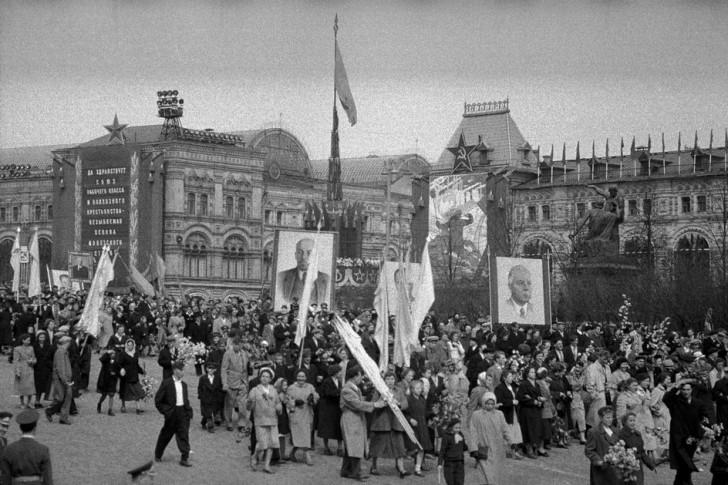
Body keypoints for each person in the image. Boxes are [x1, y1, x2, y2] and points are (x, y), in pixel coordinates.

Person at [663, 377, 715, 485]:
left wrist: (709, 427)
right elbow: (666, 398)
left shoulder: (698, 403)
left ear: (692, 390)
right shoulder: (675, 401)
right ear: (680, 390)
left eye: (688, 389)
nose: (686, 392)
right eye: (683, 389)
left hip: (692, 437)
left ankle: (679, 482)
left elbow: (705, 416)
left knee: (685, 464)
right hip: (678, 437)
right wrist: (677, 385)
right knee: (684, 462)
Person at [340, 365, 385, 481]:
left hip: (355, 418)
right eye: (360, 375)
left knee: (352, 444)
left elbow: (360, 402)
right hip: (350, 419)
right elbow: (356, 404)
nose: (361, 378)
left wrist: (375, 401)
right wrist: (375, 405)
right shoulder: (347, 389)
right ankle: (356, 472)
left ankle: (345, 470)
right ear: (355, 376)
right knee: (355, 445)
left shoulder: (354, 388)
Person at [369, 372, 410, 478]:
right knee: (377, 446)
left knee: (399, 446)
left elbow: (405, 404)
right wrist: (382, 400)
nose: (390, 381)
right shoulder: (379, 390)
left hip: (396, 422)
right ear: (384, 380)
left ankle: (401, 468)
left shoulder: (399, 391)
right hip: (382, 422)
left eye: (392, 379)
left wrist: (399, 404)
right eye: (388, 379)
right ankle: (374, 466)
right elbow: (373, 403)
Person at [154, 360, 193, 467]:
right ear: (175, 371)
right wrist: (166, 411)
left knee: (183, 435)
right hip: (171, 414)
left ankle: (184, 458)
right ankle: (158, 454)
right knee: (166, 435)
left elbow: (186, 400)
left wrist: (188, 411)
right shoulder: (166, 383)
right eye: (182, 370)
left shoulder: (184, 385)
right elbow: (158, 400)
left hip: (182, 413)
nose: (183, 372)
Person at [0, 409, 53, 485]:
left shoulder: (9, 449)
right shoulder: (43, 450)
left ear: (21, 428)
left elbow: (6, 478)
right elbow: (47, 478)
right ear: (35, 428)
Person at [469, 391, 511, 485]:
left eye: (492, 404)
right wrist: (474, 448)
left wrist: (511, 442)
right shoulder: (476, 415)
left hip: (498, 449)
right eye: (487, 403)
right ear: (483, 403)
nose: (490, 406)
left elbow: (505, 428)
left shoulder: (499, 414)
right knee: (485, 474)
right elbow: (473, 432)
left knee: (497, 474)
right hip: (484, 449)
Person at [246, 367, 282, 474]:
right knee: (262, 444)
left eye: (267, 377)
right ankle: (254, 456)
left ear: (271, 379)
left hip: (272, 420)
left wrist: (279, 408)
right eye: (263, 376)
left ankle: (266, 465)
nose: (265, 378)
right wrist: (250, 403)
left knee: (272, 443)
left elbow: (278, 403)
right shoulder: (255, 390)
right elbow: (249, 407)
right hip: (260, 420)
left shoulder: (274, 390)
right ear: (260, 378)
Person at [276, 238, 330, 306]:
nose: (304, 257)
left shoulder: (326, 280)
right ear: (295, 255)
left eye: (309, 253)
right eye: (300, 252)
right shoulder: (281, 277)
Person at [286, 368, 319, 466]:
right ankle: (307, 455)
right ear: (296, 377)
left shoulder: (310, 387)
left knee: (305, 433)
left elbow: (316, 396)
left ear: (306, 377)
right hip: (296, 414)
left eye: (303, 376)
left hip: (307, 413)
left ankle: (292, 453)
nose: (301, 378)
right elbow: (287, 401)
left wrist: (313, 399)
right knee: (298, 434)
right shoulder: (291, 388)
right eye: (299, 376)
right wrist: (294, 403)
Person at [221, 338, 249, 440]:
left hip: (243, 381)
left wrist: (246, 382)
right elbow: (223, 369)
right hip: (231, 381)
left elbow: (246, 368)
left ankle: (241, 422)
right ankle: (228, 421)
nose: (239, 346)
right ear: (233, 344)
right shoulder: (228, 354)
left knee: (242, 403)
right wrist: (224, 383)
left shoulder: (244, 354)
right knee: (230, 403)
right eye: (237, 344)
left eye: (240, 344)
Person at [617, 412, 656, 485]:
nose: (633, 423)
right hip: (626, 467)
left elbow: (642, 452)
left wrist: (651, 465)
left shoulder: (637, 434)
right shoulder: (621, 435)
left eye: (634, 420)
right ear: (625, 422)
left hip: (637, 466)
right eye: (630, 421)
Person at [585, 406, 619, 485]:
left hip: (614, 468)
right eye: (607, 417)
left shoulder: (616, 431)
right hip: (601, 469)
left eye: (611, 417)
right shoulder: (594, 432)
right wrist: (598, 461)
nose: (610, 420)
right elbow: (589, 450)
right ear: (601, 418)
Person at [404, 379, 432, 476]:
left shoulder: (422, 399)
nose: (419, 390)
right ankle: (402, 463)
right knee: (413, 447)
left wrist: (433, 413)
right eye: (417, 388)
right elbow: (404, 413)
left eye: (421, 388)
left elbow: (424, 413)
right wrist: (410, 419)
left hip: (422, 426)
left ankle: (418, 468)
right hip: (413, 427)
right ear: (412, 389)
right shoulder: (408, 399)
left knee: (422, 448)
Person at [45, 336, 73, 425]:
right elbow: (61, 368)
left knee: (66, 397)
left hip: (64, 379)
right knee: (61, 398)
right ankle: (50, 411)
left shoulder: (63, 352)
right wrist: (65, 380)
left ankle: (63, 417)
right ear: (66, 343)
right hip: (62, 379)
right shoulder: (61, 352)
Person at [317, 364, 343, 456]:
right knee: (326, 428)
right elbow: (328, 393)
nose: (341, 373)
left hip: (336, 407)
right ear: (335, 372)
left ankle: (340, 448)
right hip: (327, 407)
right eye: (339, 371)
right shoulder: (327, 381)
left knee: (338, 427)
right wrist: (339, 392)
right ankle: (326, 447)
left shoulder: (339, 382)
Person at [117, 339, 146, 414]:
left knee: (137, 392)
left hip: (134, 376)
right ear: (127, 345)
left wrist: (142, 371)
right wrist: (121, 369)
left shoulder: (135, 354)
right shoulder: (123, 354)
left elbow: (136, 365)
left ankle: (138, 408)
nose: (130, 346)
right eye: (128, 345)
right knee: (124, 392)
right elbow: (119, 364)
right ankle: (123, 406)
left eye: (131, 345)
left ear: (133, 345)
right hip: (126, 376)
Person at [438, 418, 467, 485]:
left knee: (460, 482)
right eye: (456, 428)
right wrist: (439, 463)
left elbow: (465, 448)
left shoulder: (460, 434)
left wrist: (463, 441)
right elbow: (442, 450)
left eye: (459, 428)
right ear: (451, 427)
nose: (458, 430)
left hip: (459, 462)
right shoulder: (446, 436)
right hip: (449, 463)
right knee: (450, 482)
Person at [197, 361, 223, 433]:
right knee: (208, 413)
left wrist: (219, 397)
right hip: (206, 398)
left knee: (212, 412)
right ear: (206, 369)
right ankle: (210, 426)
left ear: (215, 370)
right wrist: (201, 396)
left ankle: (203, 422)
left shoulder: (218, 378)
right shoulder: (202, 378)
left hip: (215, 398)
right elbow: (199, 388)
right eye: (209, 368)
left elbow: (220, 388)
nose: (210, 370)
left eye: (212, 369)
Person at [13, 334, 37, 409]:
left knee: (30, 385)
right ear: (23, 340)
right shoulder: (17, 349)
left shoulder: (31, 348)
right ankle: (22, 402)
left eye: (29, 340)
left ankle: (29, 402)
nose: (29, 341)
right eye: (27, 340)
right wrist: (17, 370)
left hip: (29, 368)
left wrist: (32, 361)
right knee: (21, 386)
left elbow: (34, 358)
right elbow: (16, 360)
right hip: (21, 368)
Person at [32, 331, 53, 409]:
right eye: (40, 337)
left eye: (43, 337)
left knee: (44, 386)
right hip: (37, 368)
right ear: (38, 338)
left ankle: (40, 400)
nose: (42, 339)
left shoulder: (49, 346)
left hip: (46, 368)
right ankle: (36, 401)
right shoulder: (34, 346)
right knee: (37, 386)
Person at [96, 348, 119, 416]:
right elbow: (101, 359)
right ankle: (99, 403)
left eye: (114, 353)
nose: (113, 355)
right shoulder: (105, 360)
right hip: (105, 380)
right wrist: (107, 352)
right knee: (104, 395)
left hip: (112, 380)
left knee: (111, 395)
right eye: (111, 353)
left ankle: (110, 410)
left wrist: (116, 373)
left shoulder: (116, 361)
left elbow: (118, 369)